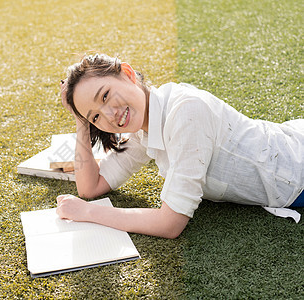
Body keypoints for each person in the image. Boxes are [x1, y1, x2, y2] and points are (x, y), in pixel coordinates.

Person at [55, 54, 304, 239]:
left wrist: (87, 213)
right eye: (96, 117)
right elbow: (90, 187)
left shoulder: (186, 112)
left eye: (106, 95)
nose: (109, 116)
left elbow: (169, 223)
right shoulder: (143, 126)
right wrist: (81, 122)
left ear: (128, 74)